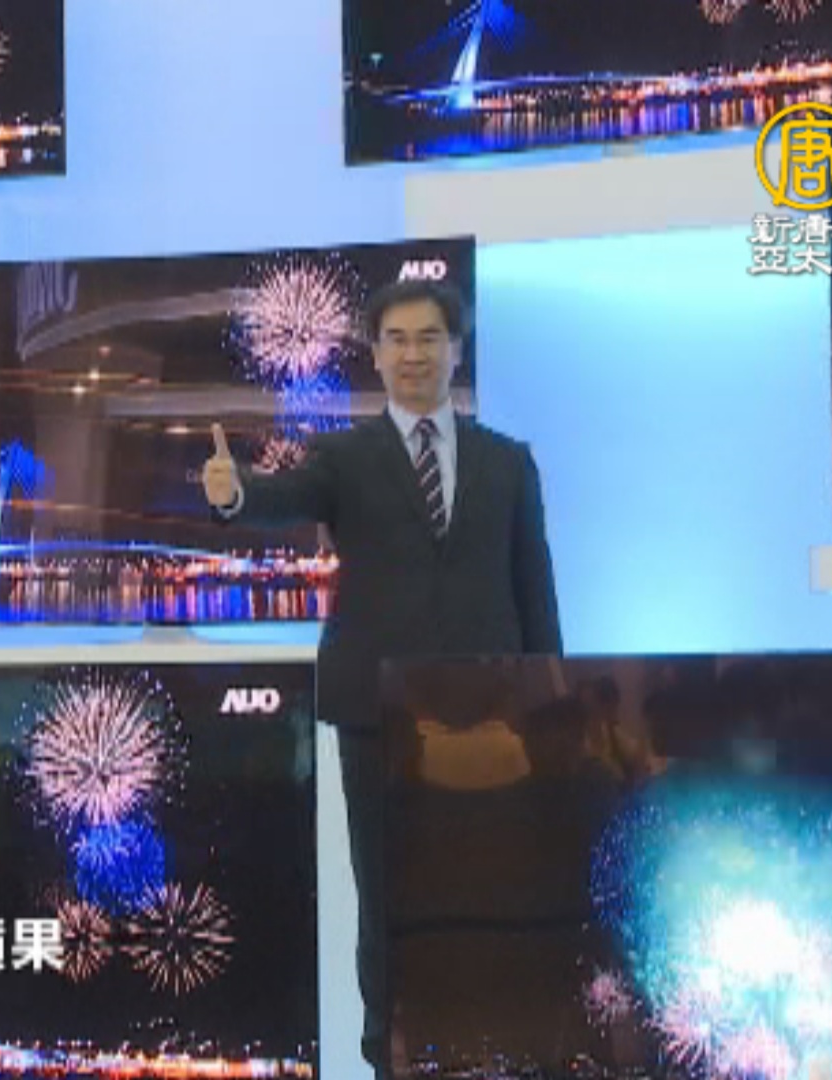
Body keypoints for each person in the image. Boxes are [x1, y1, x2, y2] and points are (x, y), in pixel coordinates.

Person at [200, 278, 562, 1078]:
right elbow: (283, 496)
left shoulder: (508, 462)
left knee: (489, 884)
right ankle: (387, 1055)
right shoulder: (345, 457)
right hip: (376, 709)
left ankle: (485, 1042)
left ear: (456, 350)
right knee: (386, 893)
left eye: (428, 338)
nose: (412, 354)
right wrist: (235, 496)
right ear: (375, 354)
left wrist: (547, 699)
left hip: (490, 707)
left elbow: (535, 590)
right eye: (396, 339)